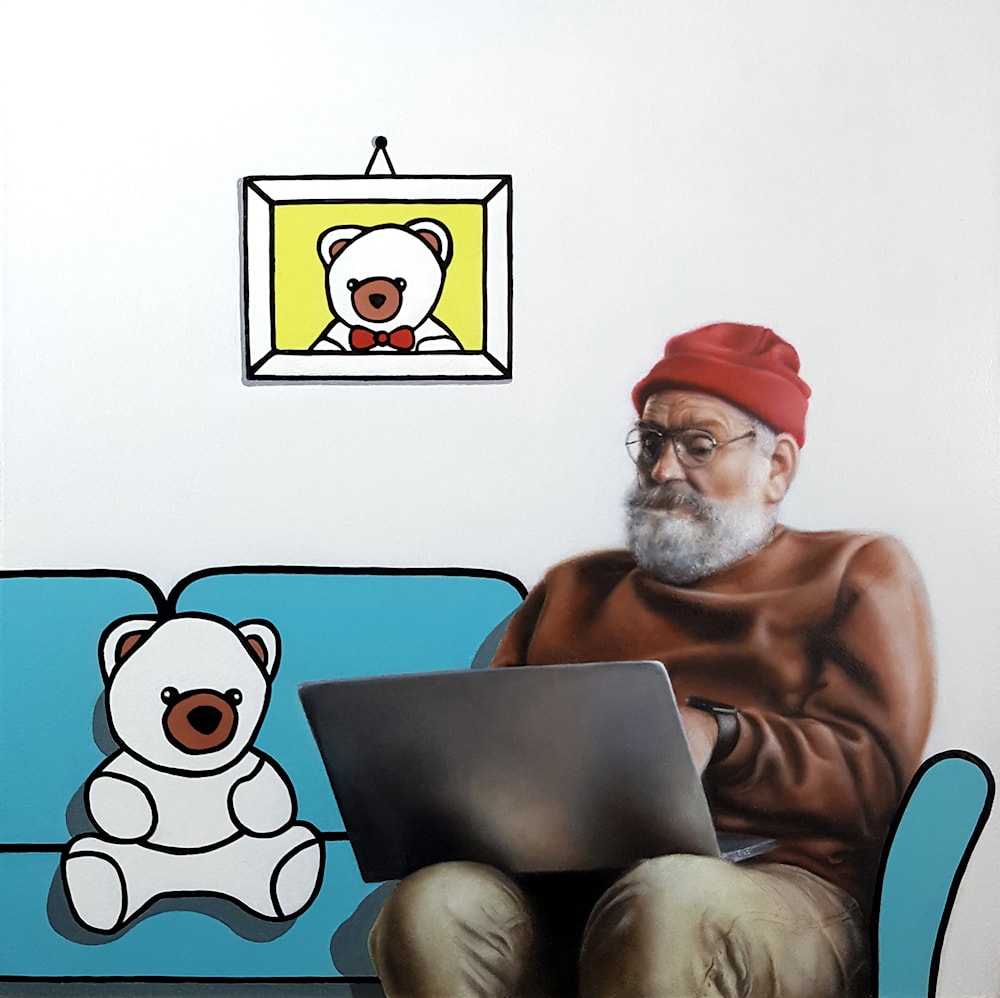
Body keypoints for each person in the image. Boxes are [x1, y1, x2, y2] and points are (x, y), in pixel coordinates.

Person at [368, 322, 935, 998]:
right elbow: (494, 747)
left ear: (777, 467)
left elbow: (875, 781)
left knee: (667, 899)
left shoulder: (856, 570)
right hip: (571, 886)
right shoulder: (574, 587)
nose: (664, 470)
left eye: (699, 445)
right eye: (652, 442)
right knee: (433, 906)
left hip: (780, 888)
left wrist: (722, 737)